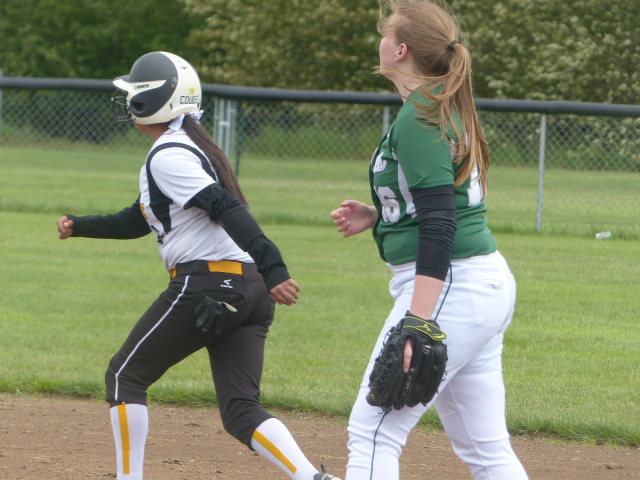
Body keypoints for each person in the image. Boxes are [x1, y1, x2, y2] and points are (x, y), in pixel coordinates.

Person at [57, 51, 340, 480]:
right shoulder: (190, 147)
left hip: (209, 284)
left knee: (124, 377)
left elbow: (225, 208)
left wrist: (276, 266)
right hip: (248, 291)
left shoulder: (168, 155)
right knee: (241, 410)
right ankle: (313, 478)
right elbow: (140, 218)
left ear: (151, 102)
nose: (128, 101)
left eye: (134, 94)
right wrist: (81, 226)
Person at [330, 2, 529, 479]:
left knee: (373, 432)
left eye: (386, 34)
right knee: (486, 450)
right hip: (476, 284)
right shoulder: (437, 104)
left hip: (452, 288)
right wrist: (383, 215)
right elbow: (443, 203)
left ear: (401, 50)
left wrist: (419, 322)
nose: (380, 41)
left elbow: (441, 223)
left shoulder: (420, 115)